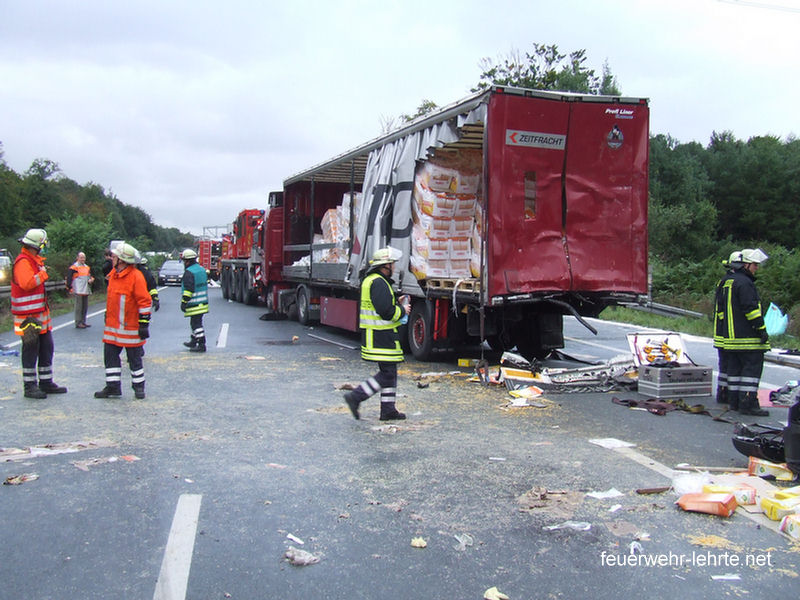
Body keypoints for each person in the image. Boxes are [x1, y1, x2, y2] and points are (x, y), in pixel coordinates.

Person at [343, 247, 410, 421]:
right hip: (381, 335)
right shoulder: (379, 282)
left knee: (390, 372)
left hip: (379, 334)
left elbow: (380, 305)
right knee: (387, 374)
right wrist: (402, 310)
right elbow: (385, 312)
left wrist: (396, 301)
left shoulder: (373, 280)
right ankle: (356, 397)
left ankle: (388, 410)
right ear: (385, 266)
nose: (394, 267)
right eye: (392, 264)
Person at [10, 228, 68, 399]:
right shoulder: (23, 262)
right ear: (37, 245)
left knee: (46, 348)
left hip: (39, 315)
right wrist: (43, 274)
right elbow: (27, 283)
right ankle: (29, 386)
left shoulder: (33, 260)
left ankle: (46, 382)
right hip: (27, 317)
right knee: (31, 349)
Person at [713, 248, 770, 417]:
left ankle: (735, 402)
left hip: (731, 338)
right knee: (750, 373)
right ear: (746, 265)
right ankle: (748, 404)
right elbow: (751, 310)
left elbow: (722, 311)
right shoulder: (745, 283)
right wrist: (761, 330)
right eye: (754, 265)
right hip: (747, 338)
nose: (756, 268)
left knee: (735, 371)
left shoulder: (727, 281)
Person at [95, 242, 151, 399]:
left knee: (134, 359)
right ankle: (113, 387)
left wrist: (144, 323)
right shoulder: (114, 275)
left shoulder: (136, 277)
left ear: (122, 260)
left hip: (130, 328)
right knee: (110, 357)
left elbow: (144, 301)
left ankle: (139, 387)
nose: (112, 258)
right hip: (112, 329)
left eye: (114, 257)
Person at [712, 251, 740, 405]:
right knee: (730, 366)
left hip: (722, 333)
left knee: (724, 367)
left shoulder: (723, 281)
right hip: (728, 333)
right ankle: (730, 397)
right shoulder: (732, 283)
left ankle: (723, 394)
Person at [180, 248, 209, 353]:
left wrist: (184, 302)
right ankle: (193, 340)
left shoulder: (189, 272)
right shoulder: (201, 269)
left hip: (194, 303)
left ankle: (201, 344)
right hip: (203, 302)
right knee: (195, 322)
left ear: (187, 261)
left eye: (184, 261)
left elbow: (188, 290)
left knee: (196, 324)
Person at [66, 251, 95, 328]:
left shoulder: (87, 267)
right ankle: (78, 322)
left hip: (85, 289)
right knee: (79, 307)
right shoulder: (73, 267)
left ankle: (83, 321)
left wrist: (91, 279)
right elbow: (69, 278)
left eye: (84, 257)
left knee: (85, 307)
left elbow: (89, 276)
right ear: (77, 258)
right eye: (81, 257)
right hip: (78, 289)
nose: (83, 259)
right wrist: (70, 287)